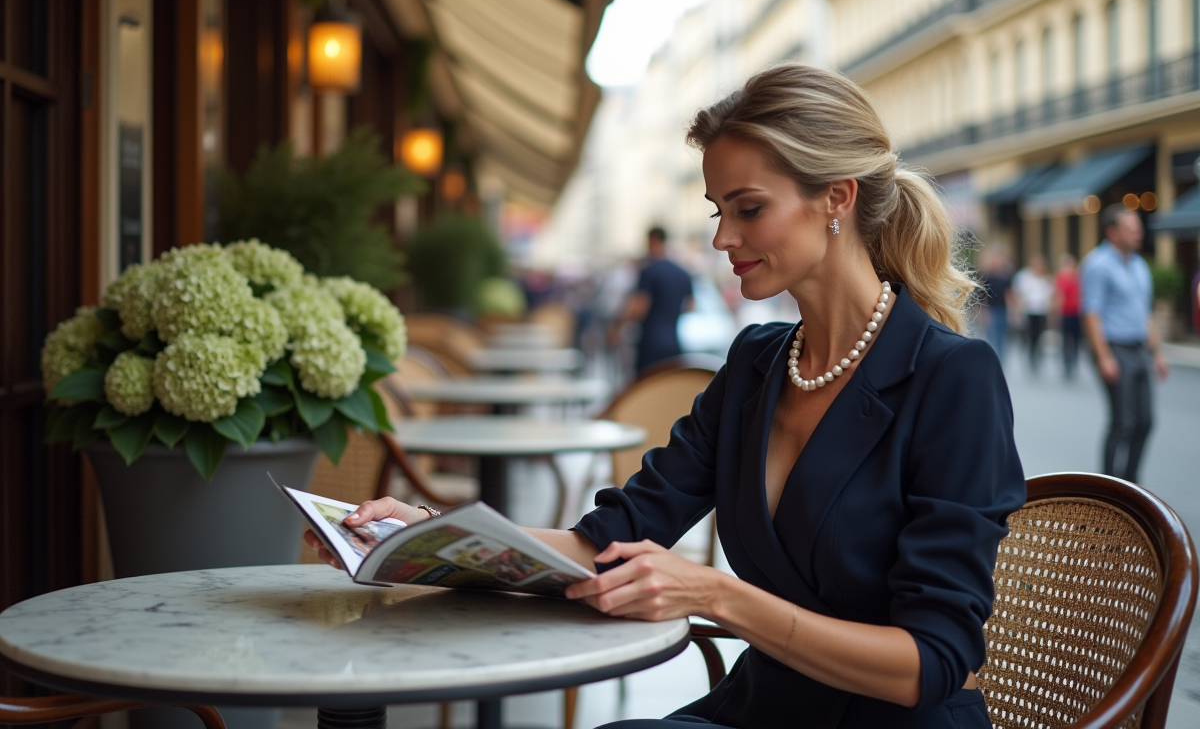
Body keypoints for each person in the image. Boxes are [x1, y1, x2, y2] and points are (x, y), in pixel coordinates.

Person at [307, 64, 1025, 729]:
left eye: (747, 209)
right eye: (718, 209)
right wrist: (431, 535)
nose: (721, 237)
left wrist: (716, 594)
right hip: (763, 708)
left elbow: (933, 663)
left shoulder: (950, 377)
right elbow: (603, 544)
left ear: (836, 198)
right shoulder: (755, 364)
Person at [1080, 206, 1170, 483]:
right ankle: (1109, 487)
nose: (1138, 233)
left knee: (1145, 421)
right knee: (1123, 422)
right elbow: (1091, 314)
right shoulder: (1097, 264)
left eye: (1138, 228)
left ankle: (1131, 483)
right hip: (1114, 348)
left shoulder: (1140, 265)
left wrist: (1156, 353)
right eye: (1131, 229)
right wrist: (1104, 356)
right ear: (1112, 232)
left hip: (1138, 348)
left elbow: (1145, 313)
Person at [610, 227, 694, 373]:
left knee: (648, 390)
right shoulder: (682, 273)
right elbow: (691, 306)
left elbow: (639, 308)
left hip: (650, 343)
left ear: (652, 240)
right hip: (674, 342)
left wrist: (618, 326)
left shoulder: (649, 271)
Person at [1012, 253, 1053, 373]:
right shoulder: (1024, 277)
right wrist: (1017, 311)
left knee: (1040, 335)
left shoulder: (1046, 278)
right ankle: (1031, 356)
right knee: (1030, 335)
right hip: (1029, 311)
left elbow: (1051, 296)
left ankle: (1037, 356)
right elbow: (1018, 295)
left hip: (1042, 311)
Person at [977, 248, 1014, 363]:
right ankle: (994, 359)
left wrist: (1012, 311)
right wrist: (983, 311)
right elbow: (981, 295)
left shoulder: (1006, 275)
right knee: (993, 336)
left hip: (1003, 309)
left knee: (1002, 336)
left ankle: (1000, 361)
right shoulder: (986, 275)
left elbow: (1008, 293)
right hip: (991, 309)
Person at [1054, 253, 1082, 378]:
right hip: (1066, 313)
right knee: (1066, 339)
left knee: (1076, 340)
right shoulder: (1061, 278)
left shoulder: (1077, 278)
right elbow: (1059, 296)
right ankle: (1067, 363)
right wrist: (1056, 312)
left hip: (1076, 313)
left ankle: (1074, 362)